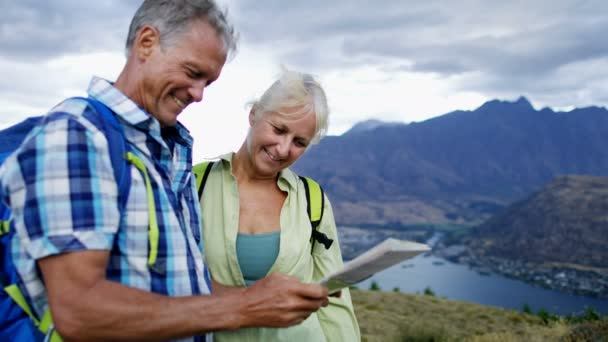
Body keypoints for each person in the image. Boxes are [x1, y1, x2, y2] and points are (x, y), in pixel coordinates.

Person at [0, 1, 330, 341]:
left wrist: (268, 298)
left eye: (208, 82)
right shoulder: (78, 135)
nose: (199, 95)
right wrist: (244, 306)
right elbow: (79, 310)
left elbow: (184, 285)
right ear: (147, 42)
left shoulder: (166, 150)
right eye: (192, 73)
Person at [198, 68, 361, 341]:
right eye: (279, 129)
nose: (284, 149)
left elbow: (334, 298)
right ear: (254, 115)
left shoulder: (313, 200)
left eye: (299, 142)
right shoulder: (194, 184)